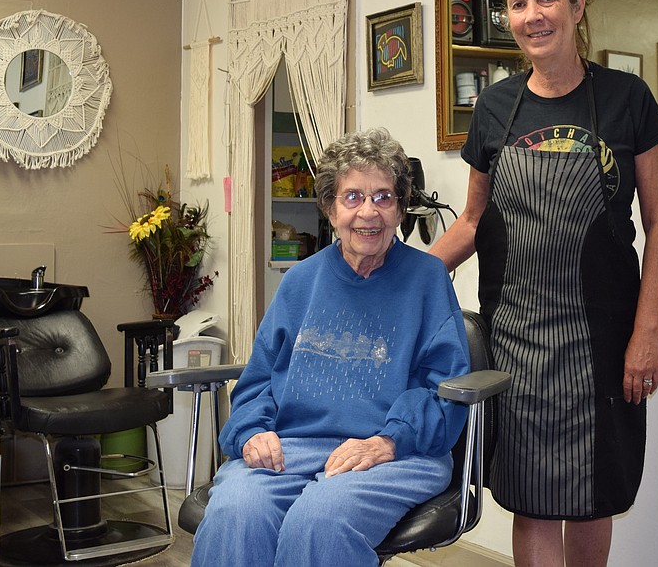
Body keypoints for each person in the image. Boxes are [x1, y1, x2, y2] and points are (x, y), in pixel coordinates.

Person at [429, 0, 658, 566]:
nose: (532, 15)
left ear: (577, 4)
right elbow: (474, 218)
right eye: (517, 4)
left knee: (594, 494)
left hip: (603, 339)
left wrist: (645, 331)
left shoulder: (628, 99)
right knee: (531, 494)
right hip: (517, 338)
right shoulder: (494, 107)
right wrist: (401, 272)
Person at [191, 128, 471, 567]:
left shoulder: (427, 280)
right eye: (353, 197)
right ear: (329, 208)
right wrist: (252, 432)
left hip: (395, 454)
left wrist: (388, 441)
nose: (369, 213)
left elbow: (445, 388)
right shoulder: (301, 281)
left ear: (399, 209)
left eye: (383, 197)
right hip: (294, 446)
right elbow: (259, 379)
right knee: (235, 511)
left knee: (318, 521)